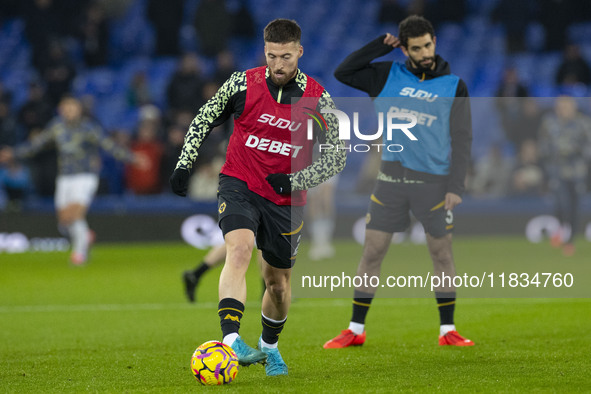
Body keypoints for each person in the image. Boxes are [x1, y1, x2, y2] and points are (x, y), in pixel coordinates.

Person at [170, 19, 346, 375]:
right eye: (271, 56)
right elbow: (204, 118)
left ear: (299, 51)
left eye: (285, 56)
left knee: (277, 284)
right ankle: (232, 340)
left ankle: (269, 347)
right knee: (238, 250)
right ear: (263, 51)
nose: (278, 65)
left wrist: (297, 179)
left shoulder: (317, 97)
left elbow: (337, 156)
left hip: (287, 198)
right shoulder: (242, 84)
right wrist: (184, 164)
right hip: (240, 182)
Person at [323, 15, 474, 349]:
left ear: (435, 41)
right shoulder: (386, 75)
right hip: (390, 180)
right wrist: (379, 46)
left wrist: (455, 187)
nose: (425, 53)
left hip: (434, 184)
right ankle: (355, 329)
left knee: (442, 255)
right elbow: (342, 72)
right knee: (373, 252)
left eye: (428, 45)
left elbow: (462, 139)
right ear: (405, 49)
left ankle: (447, 329)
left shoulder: (454, 86)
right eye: (416, 48)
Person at [0, 96, 142, 265]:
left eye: (72, 108)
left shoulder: (88, 128)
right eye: (65, 108)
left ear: (79, 110)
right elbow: (35, 145)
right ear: (61, 110)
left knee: (74, 214)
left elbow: (108, 145)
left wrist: (132, 158)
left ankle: (79, 254)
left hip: (85, 176)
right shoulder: (56, 127)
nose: (69, 111)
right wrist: (14, 153)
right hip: (64, 177)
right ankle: (86, 235)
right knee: (64, 221)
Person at [538, 96, 591, 256]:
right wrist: (548, 160)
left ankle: (570, 241)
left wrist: (576, 152)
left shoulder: (583, 123)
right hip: (557, 169)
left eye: (566, 107)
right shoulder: (549, 123)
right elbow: (543, 144)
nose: (563, 110)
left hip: (577, 170)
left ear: (573, 108)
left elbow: (588, 146)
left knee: (574, 205)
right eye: (560, 107)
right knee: (561, 202)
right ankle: (560, 228)